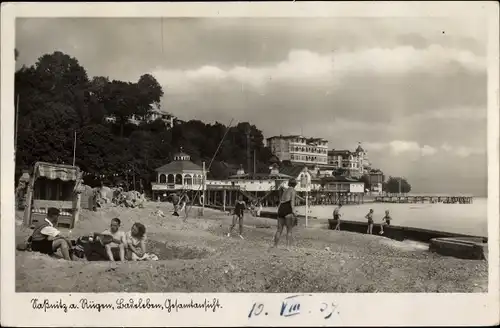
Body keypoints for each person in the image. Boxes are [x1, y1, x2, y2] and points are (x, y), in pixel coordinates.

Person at [273, 178, 297, 248]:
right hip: (287, 208)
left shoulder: (285, 190)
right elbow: (292, 203)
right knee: (289, 230)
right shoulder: (293, 191)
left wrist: (279, 211)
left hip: (281, 209)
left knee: (279, 230)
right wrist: (294, 212)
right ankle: (287, 247)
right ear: (295, 185)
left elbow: (280, 202)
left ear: (289, 184)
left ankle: (275, 245)